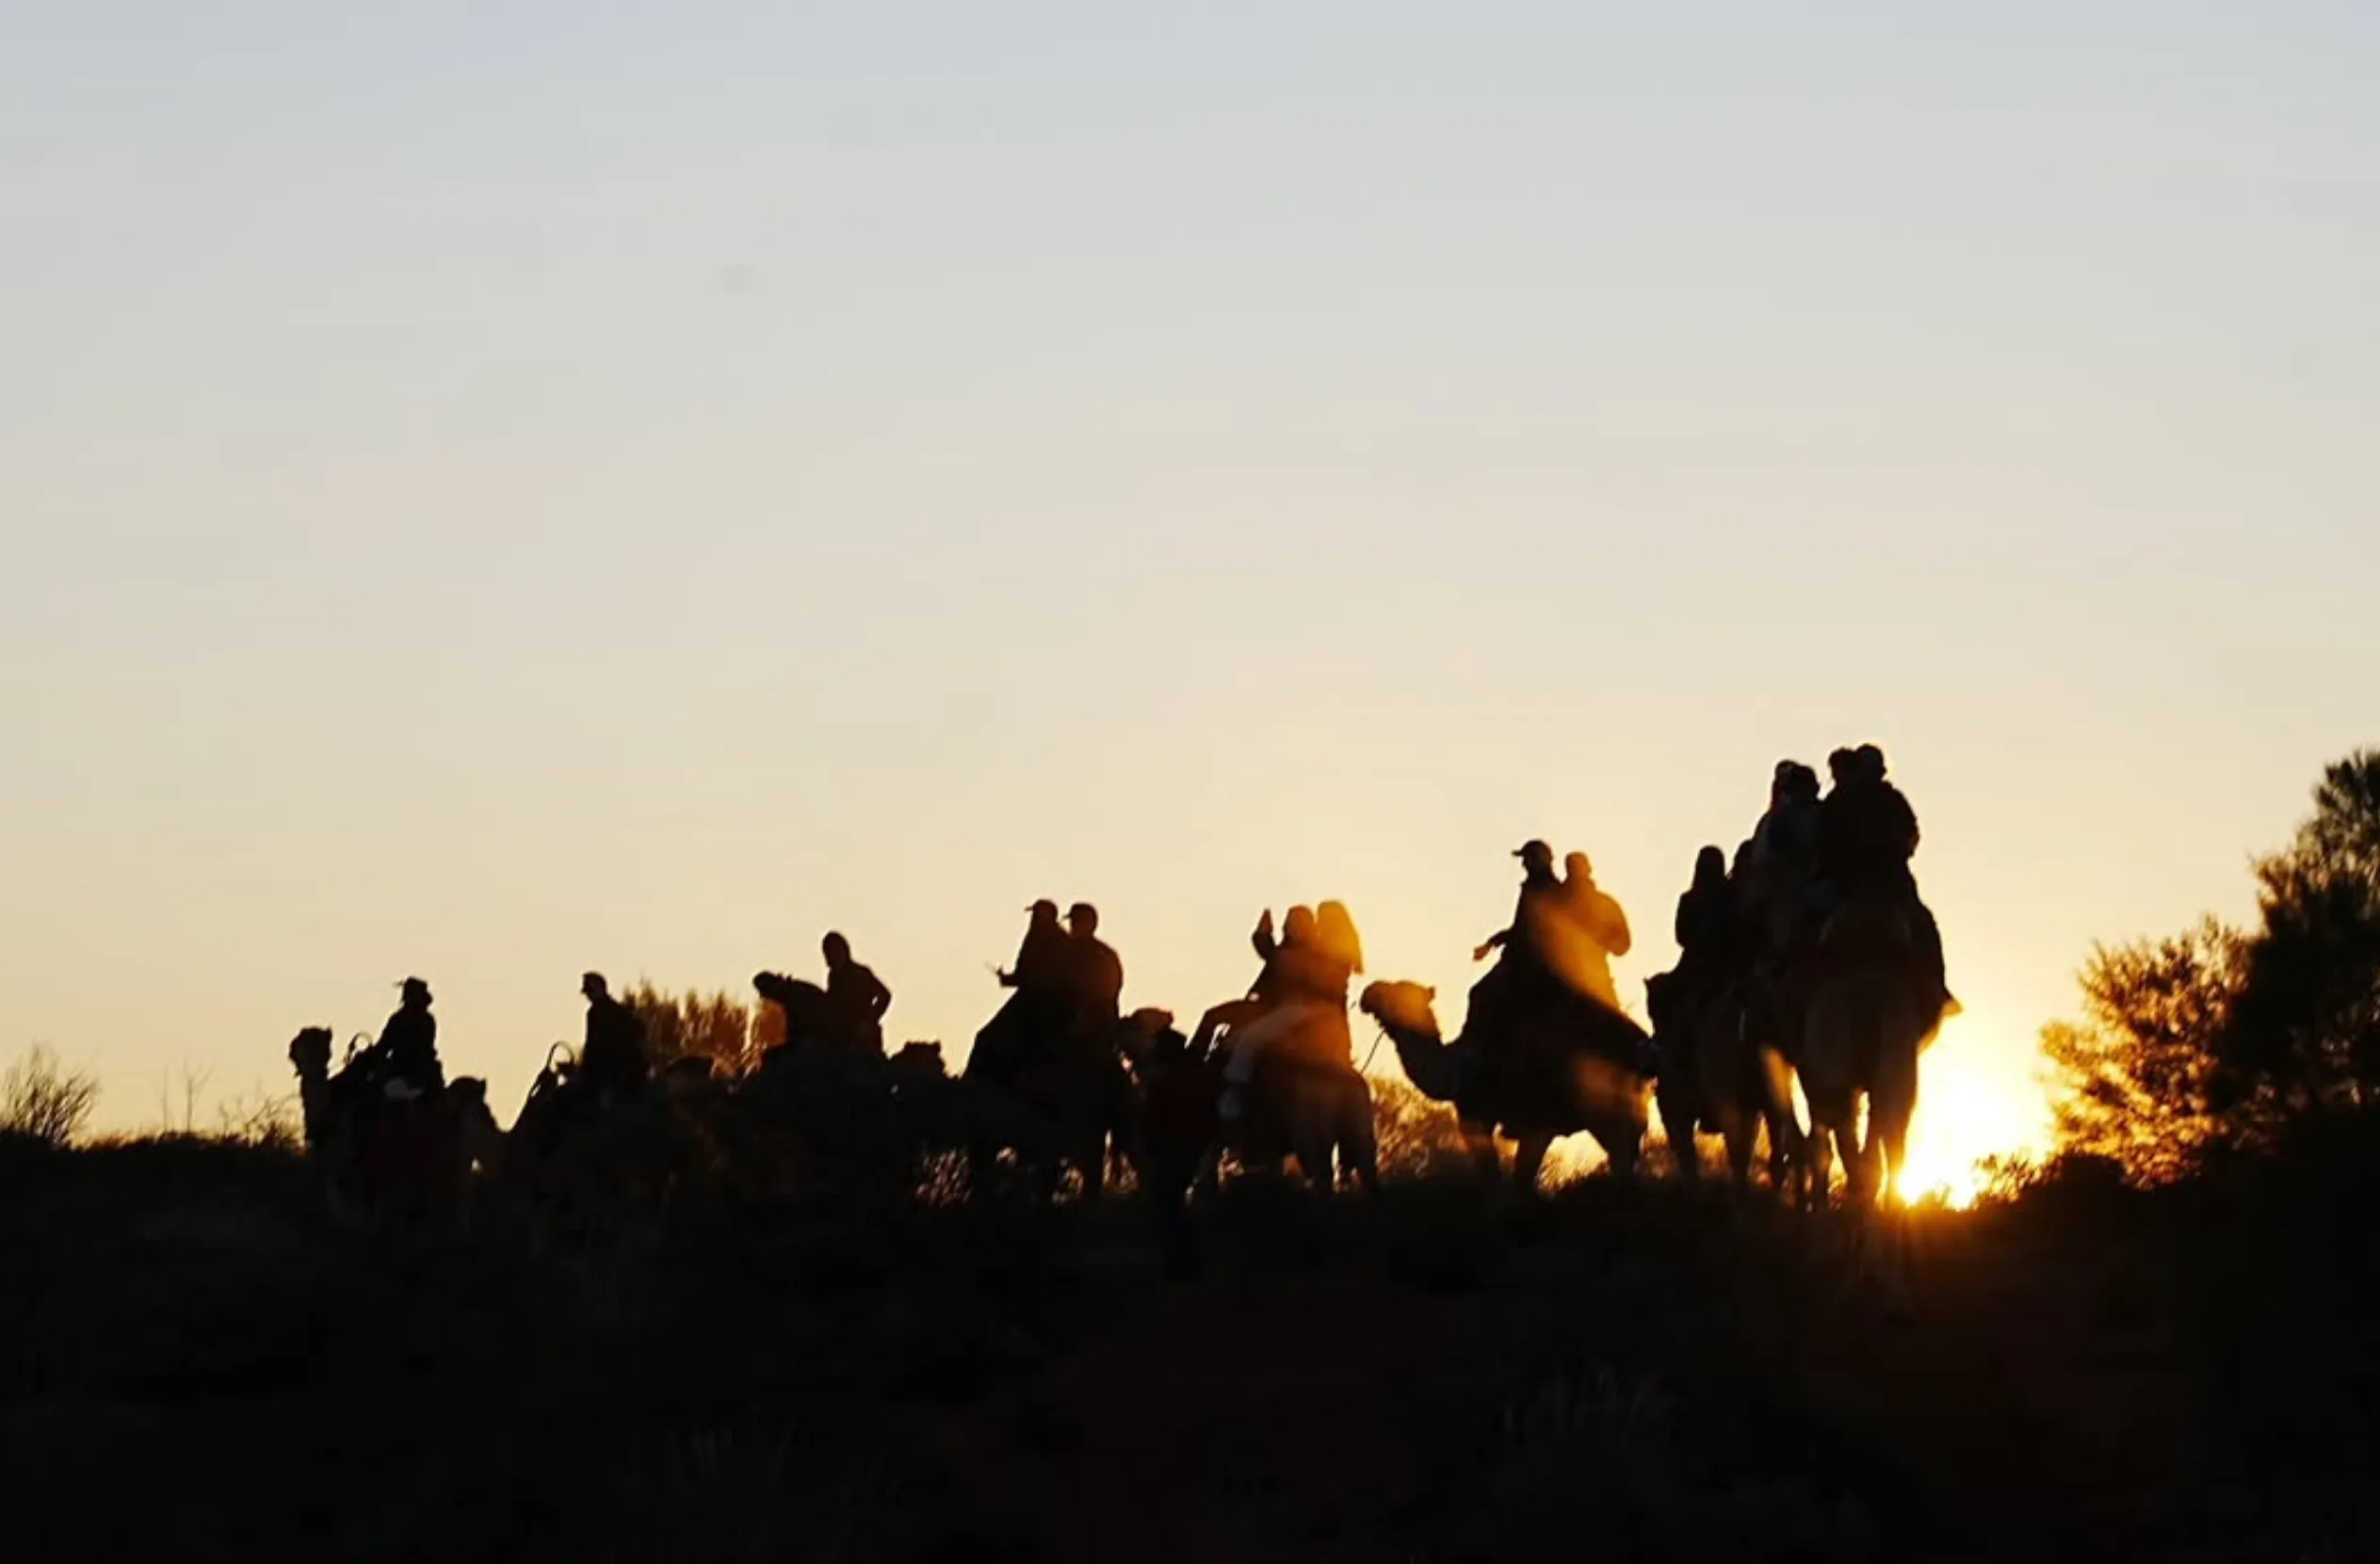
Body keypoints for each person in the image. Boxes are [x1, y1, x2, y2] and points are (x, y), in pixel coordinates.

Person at [1815, 744, 1953, 1016]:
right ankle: (1939, 989)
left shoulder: (1840, 800)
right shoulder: (1887, 801)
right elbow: (1911, 835)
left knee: (1808, 924)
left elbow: (1824, 842)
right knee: (1923, 925)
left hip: (1852, 883)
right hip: (1882, 882)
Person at [1540, 851, 1631, 1012]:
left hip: (1591, 983)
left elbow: (1622, 945)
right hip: (1564, 984)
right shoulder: (1555, 902)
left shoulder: (1554, 902)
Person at [366, 976, 444, 1099]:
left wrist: (370, 1056)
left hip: (406, 1071)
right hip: (426, 1072)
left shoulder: (400, 1019)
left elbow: (385, 1045)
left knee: (374, 1092)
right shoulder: (427, 1019)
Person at [578, 972, 651, 1100]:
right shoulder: (618, 1010)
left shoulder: (597, 1013)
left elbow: (593, 1046)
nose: (588, 996)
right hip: (624, 1070)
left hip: (614, 1073)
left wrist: (585, 1070)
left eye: (590, 991)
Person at [1061, 902, 1125, 1048]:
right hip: (1094, 1022)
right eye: (1072, 922)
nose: (1072, 926)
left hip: (1088, 1024)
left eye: (1076, 922)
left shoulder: (1083, 953)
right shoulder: (1106, 953)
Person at [820, 931, 892, 1055]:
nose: (829, 961)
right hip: (841, 1038)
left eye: (832, 954)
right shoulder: (834, 977)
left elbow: (885, 995)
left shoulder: (861, 974)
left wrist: (869, 1021)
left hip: (864, 1040)